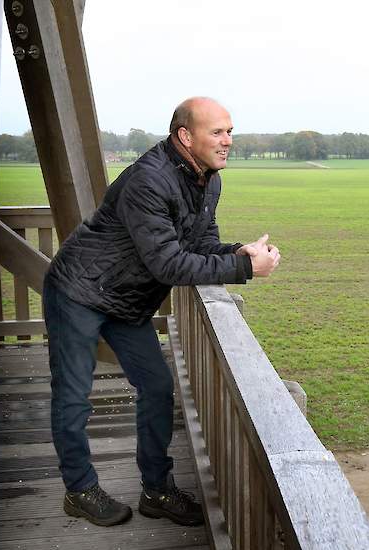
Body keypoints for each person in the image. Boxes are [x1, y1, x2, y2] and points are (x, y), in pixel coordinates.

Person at [42, 97, 280, 527]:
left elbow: (202, 244)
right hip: (78, 291)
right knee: (74, 397)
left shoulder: (209, 179)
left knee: (156, 387)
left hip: (126, 301)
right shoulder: (149, 181)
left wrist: (237, 251)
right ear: (185, 136)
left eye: (230, 131)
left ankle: (157, 489)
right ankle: (79, 489)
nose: (228, 141)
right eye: (217, 132)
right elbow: (168, 264)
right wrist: (245, 267)